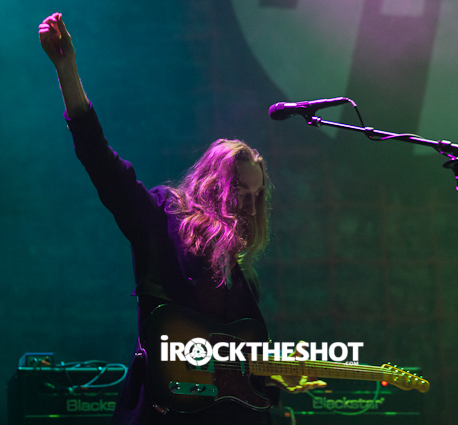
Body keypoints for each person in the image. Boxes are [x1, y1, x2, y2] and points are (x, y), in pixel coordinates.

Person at [38, 12, 326, 425]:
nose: (250, 208)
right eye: (240, 193)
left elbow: (229, 370)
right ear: (213, 186)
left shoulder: (244, 279)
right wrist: (67, 70)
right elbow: (101, 161)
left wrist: (274, 374)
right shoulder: (162, 217)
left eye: (257, 197)